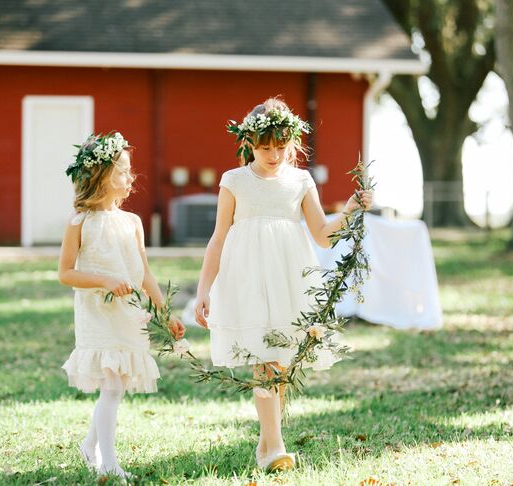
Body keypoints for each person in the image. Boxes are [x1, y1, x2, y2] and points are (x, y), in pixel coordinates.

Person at [194, 98, 372, 472]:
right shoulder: (235, 181)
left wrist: (352, 208)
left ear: (291, 142)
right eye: (264, 146)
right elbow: (218, 237)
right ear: (249, 142)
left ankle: (267, 440)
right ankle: (273, 446)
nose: (273, 154)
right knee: (266, 359)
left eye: (280, 146)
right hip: (247, 277)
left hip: (289, 276)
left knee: (278, 361)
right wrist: (204, 289)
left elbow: (322, 235)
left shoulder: (300, 181)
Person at [58, 132, 185, 478]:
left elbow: (144, 272)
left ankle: (89, 444)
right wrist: (104, 280)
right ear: (100, 176)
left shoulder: (133, 223)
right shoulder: (79, 222)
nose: (131, 178)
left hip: (129, 314)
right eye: (123, 171)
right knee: (111, 387)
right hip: (98, 314)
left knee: (118, 385)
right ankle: (109, 464)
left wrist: (164, 312)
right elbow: (66, 273)